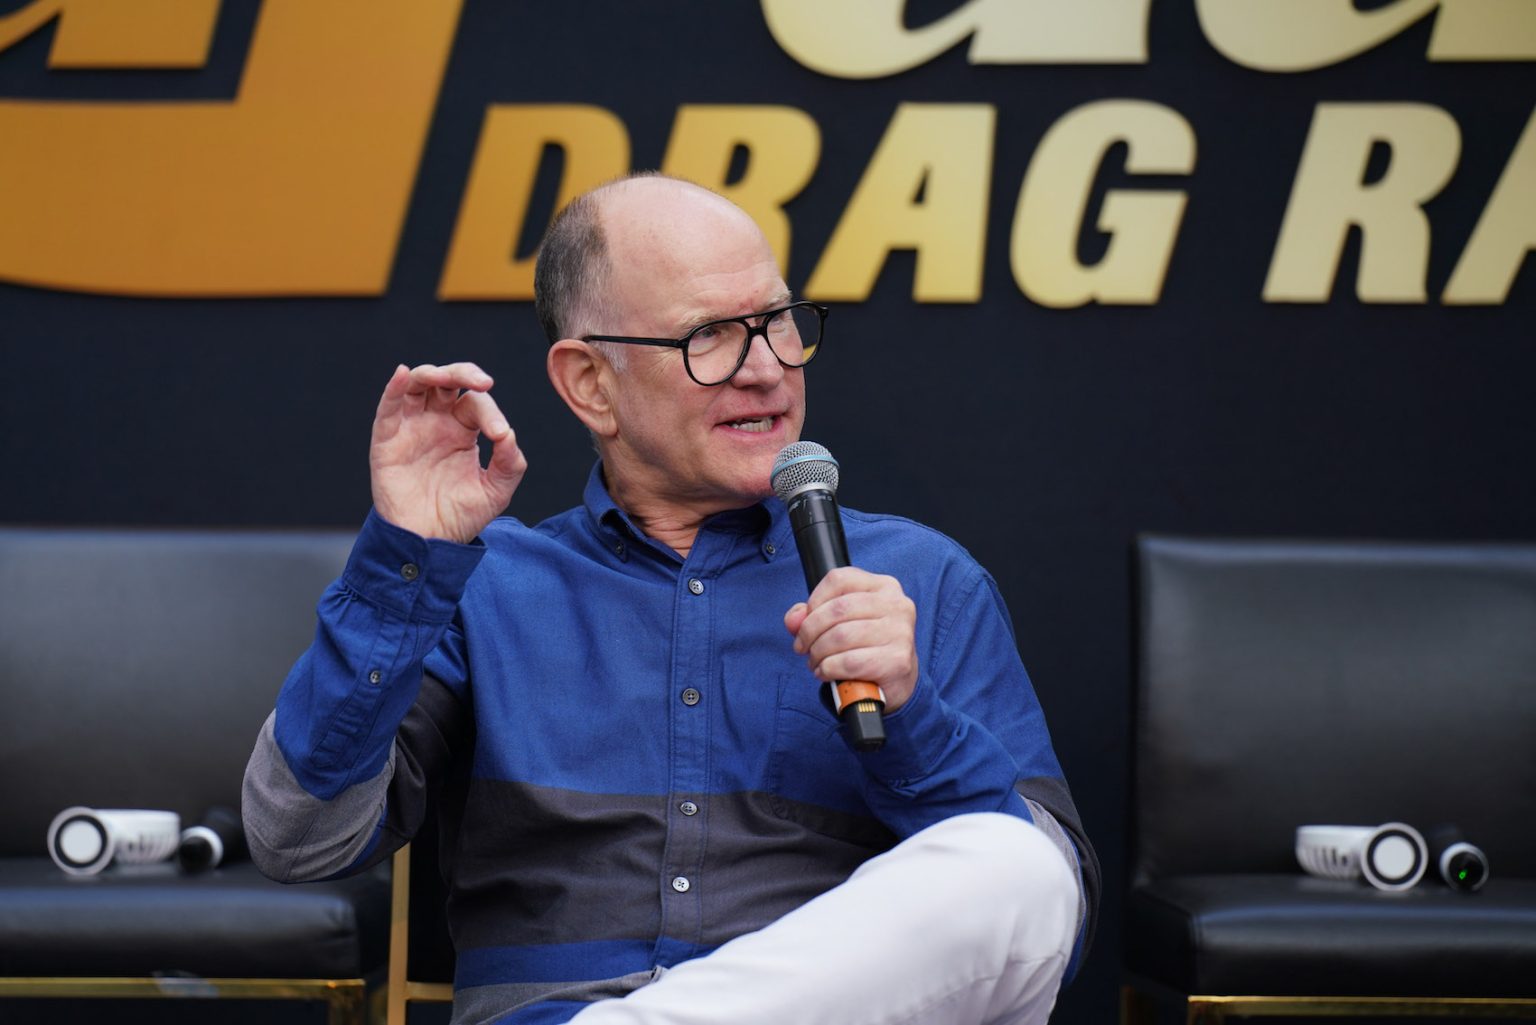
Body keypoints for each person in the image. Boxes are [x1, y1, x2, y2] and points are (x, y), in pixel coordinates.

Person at [243, 172, 1099, 1025]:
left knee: (1016, 866)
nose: (767, 370)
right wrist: (405, 561)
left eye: (778, 325)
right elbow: (297, 840)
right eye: (713, 336)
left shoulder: (920, 579)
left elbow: (1046, 916)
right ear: (590, 384)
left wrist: (913, 723)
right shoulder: (486, 583)